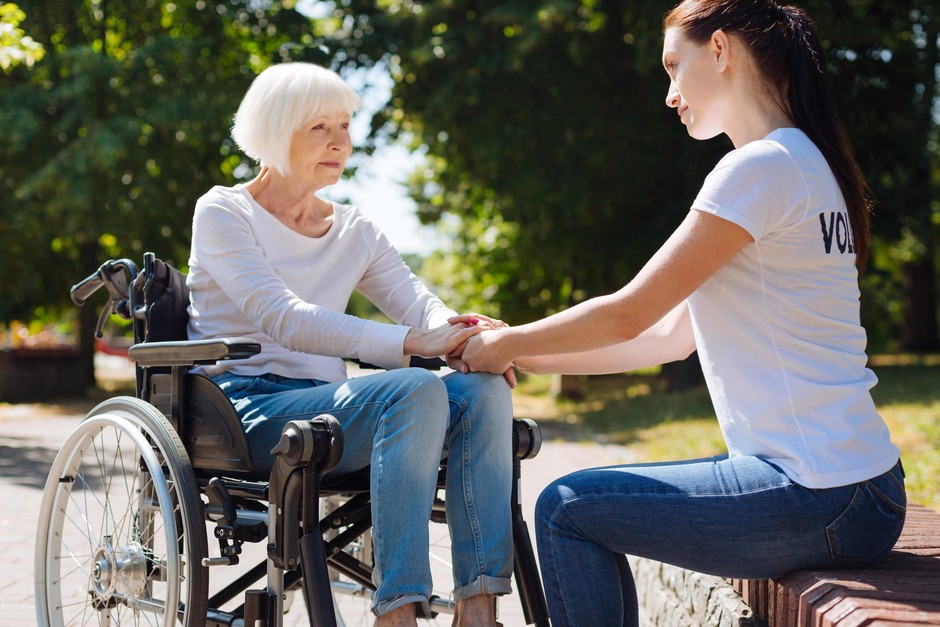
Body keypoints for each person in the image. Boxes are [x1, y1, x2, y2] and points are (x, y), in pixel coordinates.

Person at [456, 1, 906, 625]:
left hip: (818, 492)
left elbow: (628, 312)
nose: (669, 94)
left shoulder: (757, 169)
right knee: (581, 503)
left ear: (720, 50)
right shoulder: (805, 162)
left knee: (566, 507)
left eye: (674, 66)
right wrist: (518, 351)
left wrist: (504, 345)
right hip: (862, 487)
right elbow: (667, 337)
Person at [186, 62, 515, 627]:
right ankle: (397, 613)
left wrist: (463, 335)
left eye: (344, 125)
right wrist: (418, 342)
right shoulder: (223, 212)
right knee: (412, 389)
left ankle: (478, 608)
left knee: (482, 390)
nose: (341, 142)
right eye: (319, 128)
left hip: (329, 410)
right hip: (242, 409)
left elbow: (418, 302)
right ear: (274, 130)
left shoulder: (353, 229)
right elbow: (284, 318)